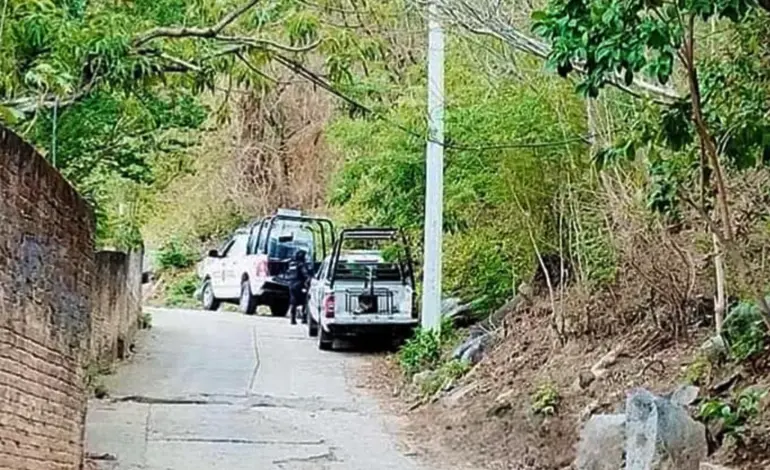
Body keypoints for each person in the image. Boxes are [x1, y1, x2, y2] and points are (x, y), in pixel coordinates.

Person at [287, 249, 310, 325]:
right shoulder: (301, 265)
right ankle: (304, 318)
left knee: (293, 302)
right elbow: (305, 274)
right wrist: (308, 279)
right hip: (300, 285)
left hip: (291, 285)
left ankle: (292, 319)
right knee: (305, 301)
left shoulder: (291, 264)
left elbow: (288, 274)